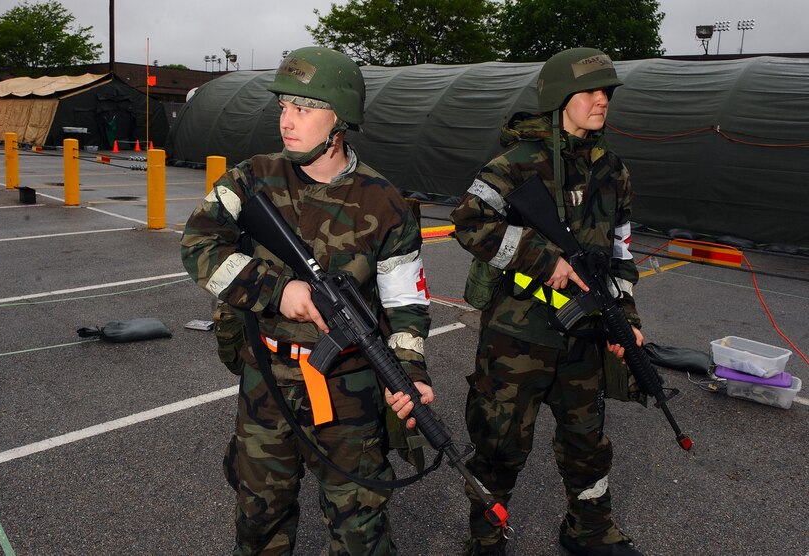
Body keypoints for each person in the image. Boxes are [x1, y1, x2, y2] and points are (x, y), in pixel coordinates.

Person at [180, 46, 433, 556]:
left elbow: (405, 299)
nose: (287, 122)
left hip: (349, 387)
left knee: (360, 526)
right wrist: (278, 290)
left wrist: (411, 371)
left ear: (339, 120)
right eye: (282, 108)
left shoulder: (385, 202)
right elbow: (197, 243)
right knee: (258, 519)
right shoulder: (252, 176)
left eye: (303, 109)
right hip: (266, 383)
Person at [451, 48, 645, 556]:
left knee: (588, 443)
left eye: (607, 92)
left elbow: (622, 253)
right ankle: (486, 537)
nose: (602, 100)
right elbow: (470, 223)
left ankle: (590, 529)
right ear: (561, 99)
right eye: (591, 92)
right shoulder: (516, 164)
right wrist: (544, 259)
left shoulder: (614, 171)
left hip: (586, 333)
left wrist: (626, 318)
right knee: (498, 443)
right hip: (518, 335)